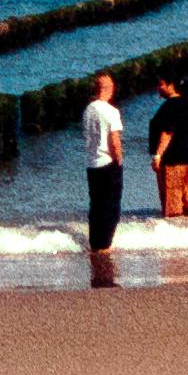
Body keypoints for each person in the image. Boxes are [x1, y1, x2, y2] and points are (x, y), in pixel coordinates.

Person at [82, 71, 125, 274]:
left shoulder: (88, 110)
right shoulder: (110, 111)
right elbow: (114, 140)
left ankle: (95, 244)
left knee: (96, 207)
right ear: (107, 89)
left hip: (91, 163)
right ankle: (105, 247)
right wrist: (120, 160)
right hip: (107, 162)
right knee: (111, 208)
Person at [148, 69, 188, 222]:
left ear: (171, 85)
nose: (158, 88)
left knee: (172, 208)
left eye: (161, 85)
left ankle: (175, 243)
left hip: (173, 162)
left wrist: (157, 155)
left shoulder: (170, 105)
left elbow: (168, 133)